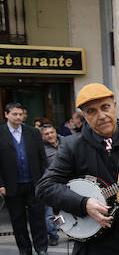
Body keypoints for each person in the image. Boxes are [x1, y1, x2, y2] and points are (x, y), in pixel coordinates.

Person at [36, 83, 119, 255]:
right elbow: (44, 188)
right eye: (91, 111)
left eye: (105, 107)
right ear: (84, 115)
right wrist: (83, 203)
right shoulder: (72, 146)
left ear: (114, 106)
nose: (101, 116)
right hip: (93, 245)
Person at [1, 102, 50, 255]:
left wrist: (44, 179)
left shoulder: (33, 132)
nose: (18, 117)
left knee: (38, 218)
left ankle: (41, 248)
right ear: (6, 114)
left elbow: (42, 158)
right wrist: (0, 184)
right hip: (12, 185)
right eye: (14, 114)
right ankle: (24, 250)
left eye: (20, 114)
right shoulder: (0, 133)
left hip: (34, 183)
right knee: (18, 220)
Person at [39, 124, 62, 246]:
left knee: (71, 211)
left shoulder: (66, 143)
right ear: (42, 137)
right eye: (46, 134)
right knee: (50, 214)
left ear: (56, 132)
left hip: (69, 183)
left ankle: (72, 232)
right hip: (51, 185)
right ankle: (53, 235)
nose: (50, 135)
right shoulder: (40, 149)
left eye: (52, 132)